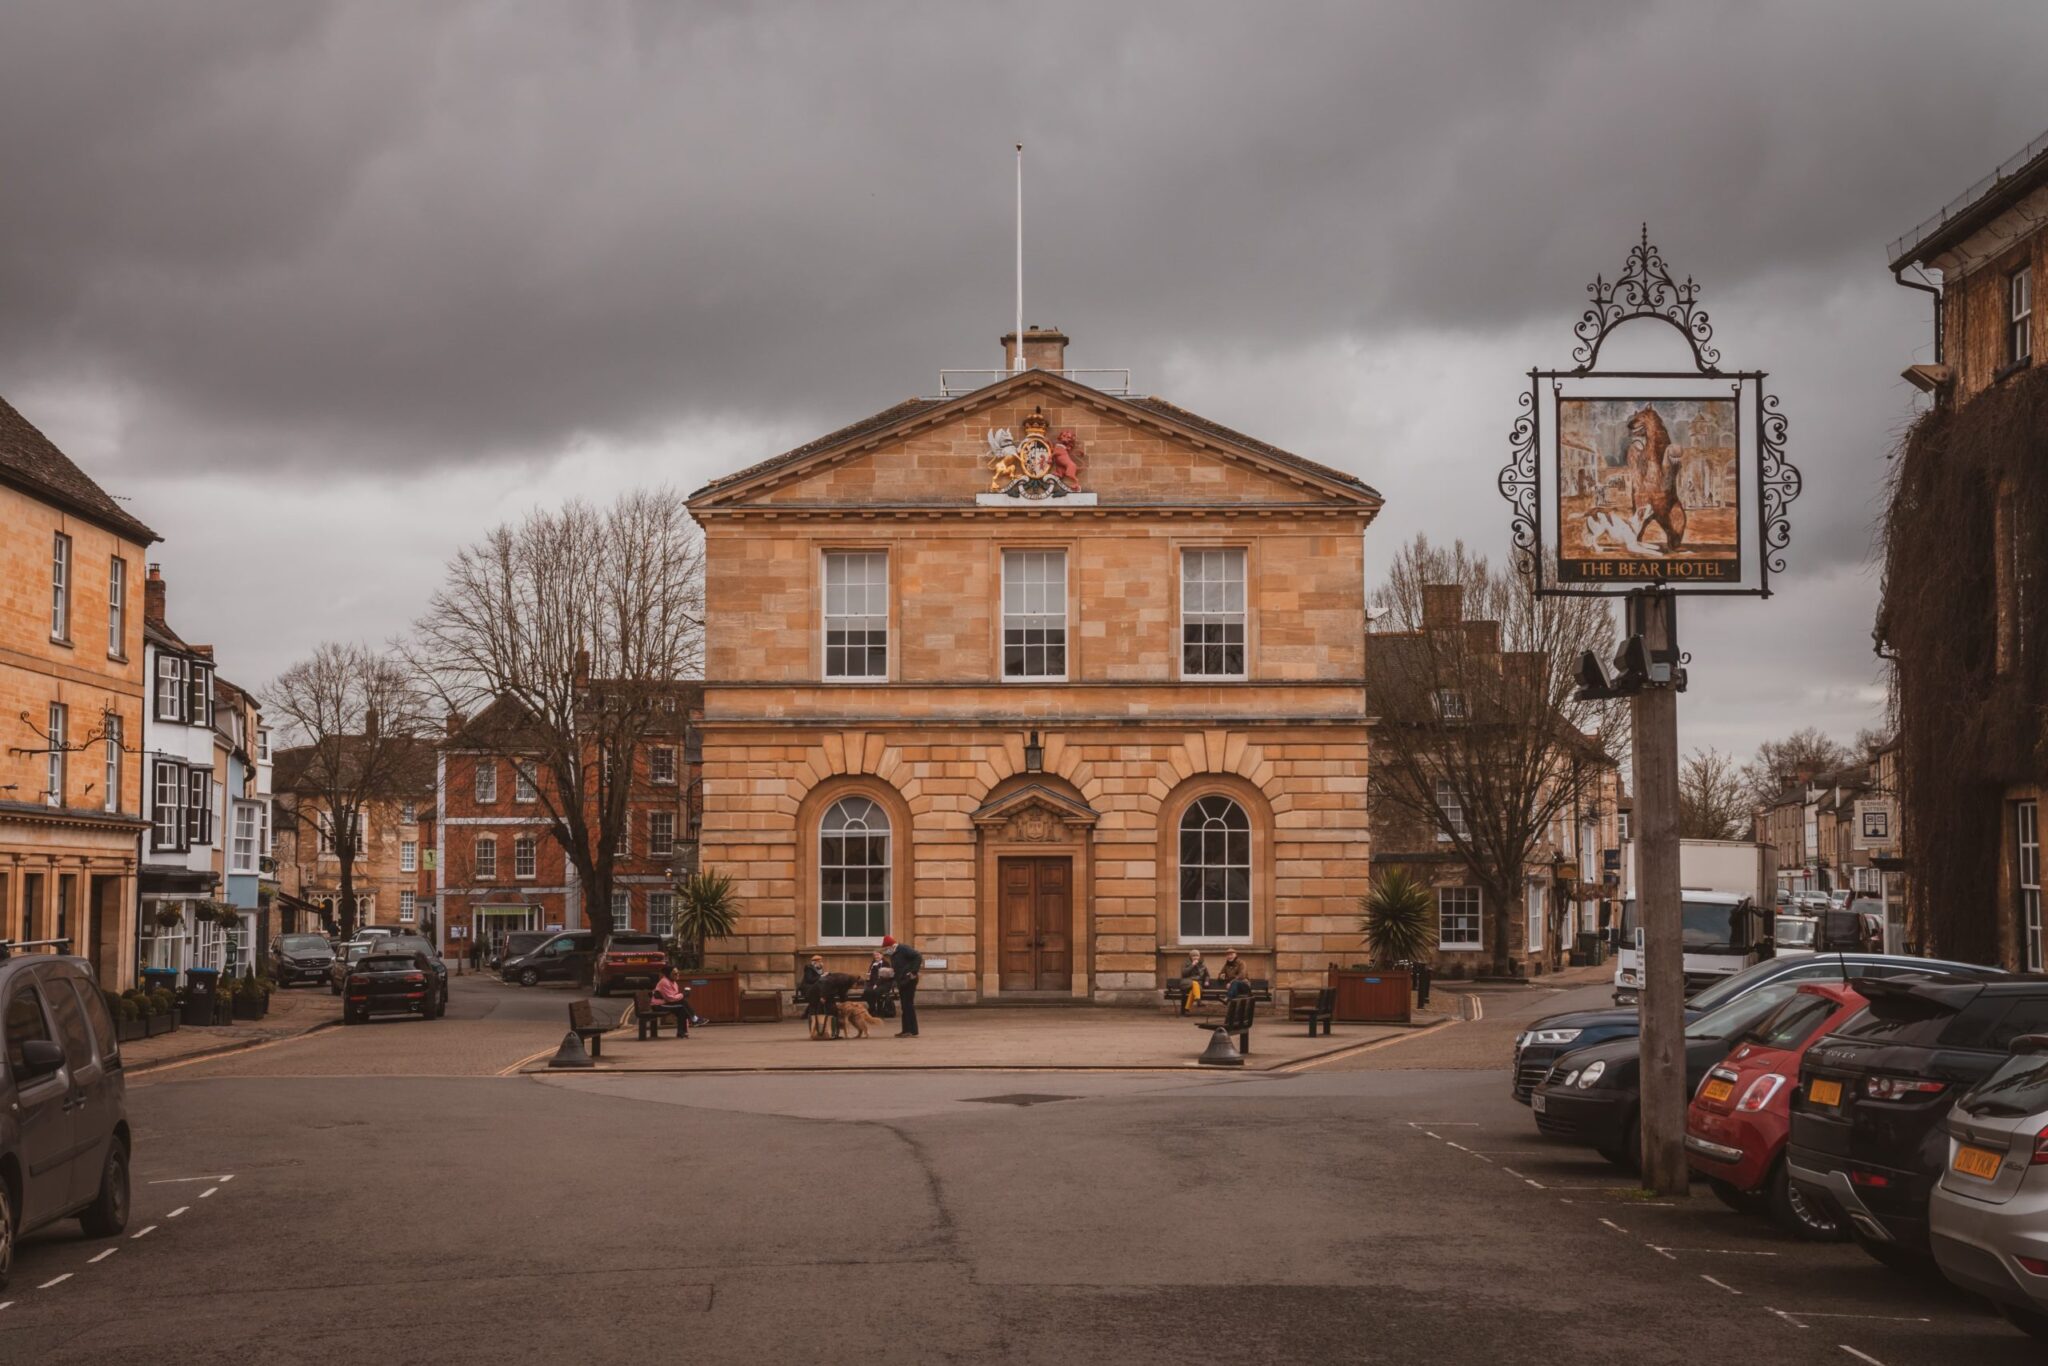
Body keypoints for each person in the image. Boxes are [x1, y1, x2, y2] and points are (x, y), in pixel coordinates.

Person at [883, 934, 922, 1037]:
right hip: (902, 981)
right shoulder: (894, 954)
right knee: (905, 1006)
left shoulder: (903, 948)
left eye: (886, 948)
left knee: (908, 1005)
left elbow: (918, 956)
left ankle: (910, 1030)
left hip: (909, 980)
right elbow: (898, 968)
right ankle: (907, 1030)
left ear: (891, 945)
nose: (886, 950)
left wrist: (913, 972)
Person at [649, 965, 699, 1035]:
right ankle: (694, 1019)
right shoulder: (664, 982)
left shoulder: (673, 982)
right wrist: (683, 995)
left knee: (682, 1009)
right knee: (683, 1003)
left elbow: (674, 997)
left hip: (666, 1003)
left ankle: (682, 1032)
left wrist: (682, 995)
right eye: (675, 973)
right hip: (659, 1006)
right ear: (668, 974)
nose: (677, 975)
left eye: (678, 973)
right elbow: (671, 998)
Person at [1177, 949, 1210, 1015]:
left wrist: (1206, 981)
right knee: (1194, 983)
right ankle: (1198, 1000)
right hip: (1186, 983)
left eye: (1197, 956)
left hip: (1197, 985)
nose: (1195, 957)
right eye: (1193, 956)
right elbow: (1184, 974)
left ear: (1199, 956)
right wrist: (1192, 965)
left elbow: (1207, 975)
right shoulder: (1186, 964)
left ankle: (1187, 1009)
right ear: (1190, 957)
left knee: (1193, 991)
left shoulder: (1203, 965)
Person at [864, 949, 895, 1017]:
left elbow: (884, 977)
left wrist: (876, 984)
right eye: (875, 955)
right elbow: (870, 974)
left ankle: (879, 1010)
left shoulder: (886, 963)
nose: (876, 956)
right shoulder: (873, 963)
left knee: (876, 991)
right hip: (874, 983)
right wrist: (868, 977)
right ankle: (872, 1008)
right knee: (867, 992)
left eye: (878, 954)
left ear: (882, 955)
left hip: (884, 983)